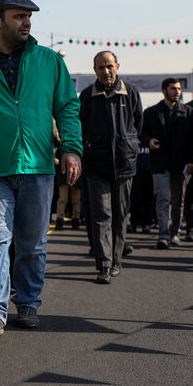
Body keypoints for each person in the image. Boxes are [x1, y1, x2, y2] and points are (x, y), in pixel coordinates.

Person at [0, 0, 82, 340]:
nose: (27, 23)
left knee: (33, 242)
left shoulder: (49, 61)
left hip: (38, 166)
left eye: (29, 17)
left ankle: (27, 303)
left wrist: (70, 148)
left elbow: (67, 106)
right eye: (19, 16)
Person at [79, 51, 143, 284]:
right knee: (101, 215)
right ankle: (104, 264)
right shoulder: (87, 95)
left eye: (109, 66)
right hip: (96, 165)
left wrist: (130, 145)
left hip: (125, 164)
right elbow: (80, 126)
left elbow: (138, 123)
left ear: (118, 66)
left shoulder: (131, 93)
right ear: (94, 70)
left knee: (120, 215)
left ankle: (117, 260)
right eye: (100, 68)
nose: (106, 72)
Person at [139, 78, 193, 249]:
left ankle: (175, 233)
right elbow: (141, 133)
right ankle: (163, 235)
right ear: (164, 91)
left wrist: (191, 161)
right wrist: (149, 141)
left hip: (180, 165)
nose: (177, 91)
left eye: (178, 89)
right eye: (173, 89)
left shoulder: (188, 112)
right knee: (163, 198)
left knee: (178, 202)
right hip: (159, 163)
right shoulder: (152, 112)